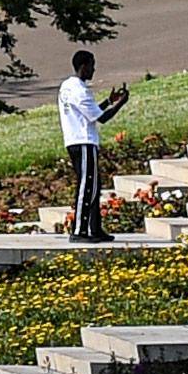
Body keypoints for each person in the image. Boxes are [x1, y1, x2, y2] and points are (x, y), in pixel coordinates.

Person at [58, 49, 128, 239]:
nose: (94, 70)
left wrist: (108, 101)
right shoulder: (80, 90)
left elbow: (89, 112)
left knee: (93, 185)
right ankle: (79, 230)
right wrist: (121, 103)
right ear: (83, 66)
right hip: (84, 142)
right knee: (87, 186)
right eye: (92, 65)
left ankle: (94, 228)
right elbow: (101, 118)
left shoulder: (67, 86)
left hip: (74, 140)